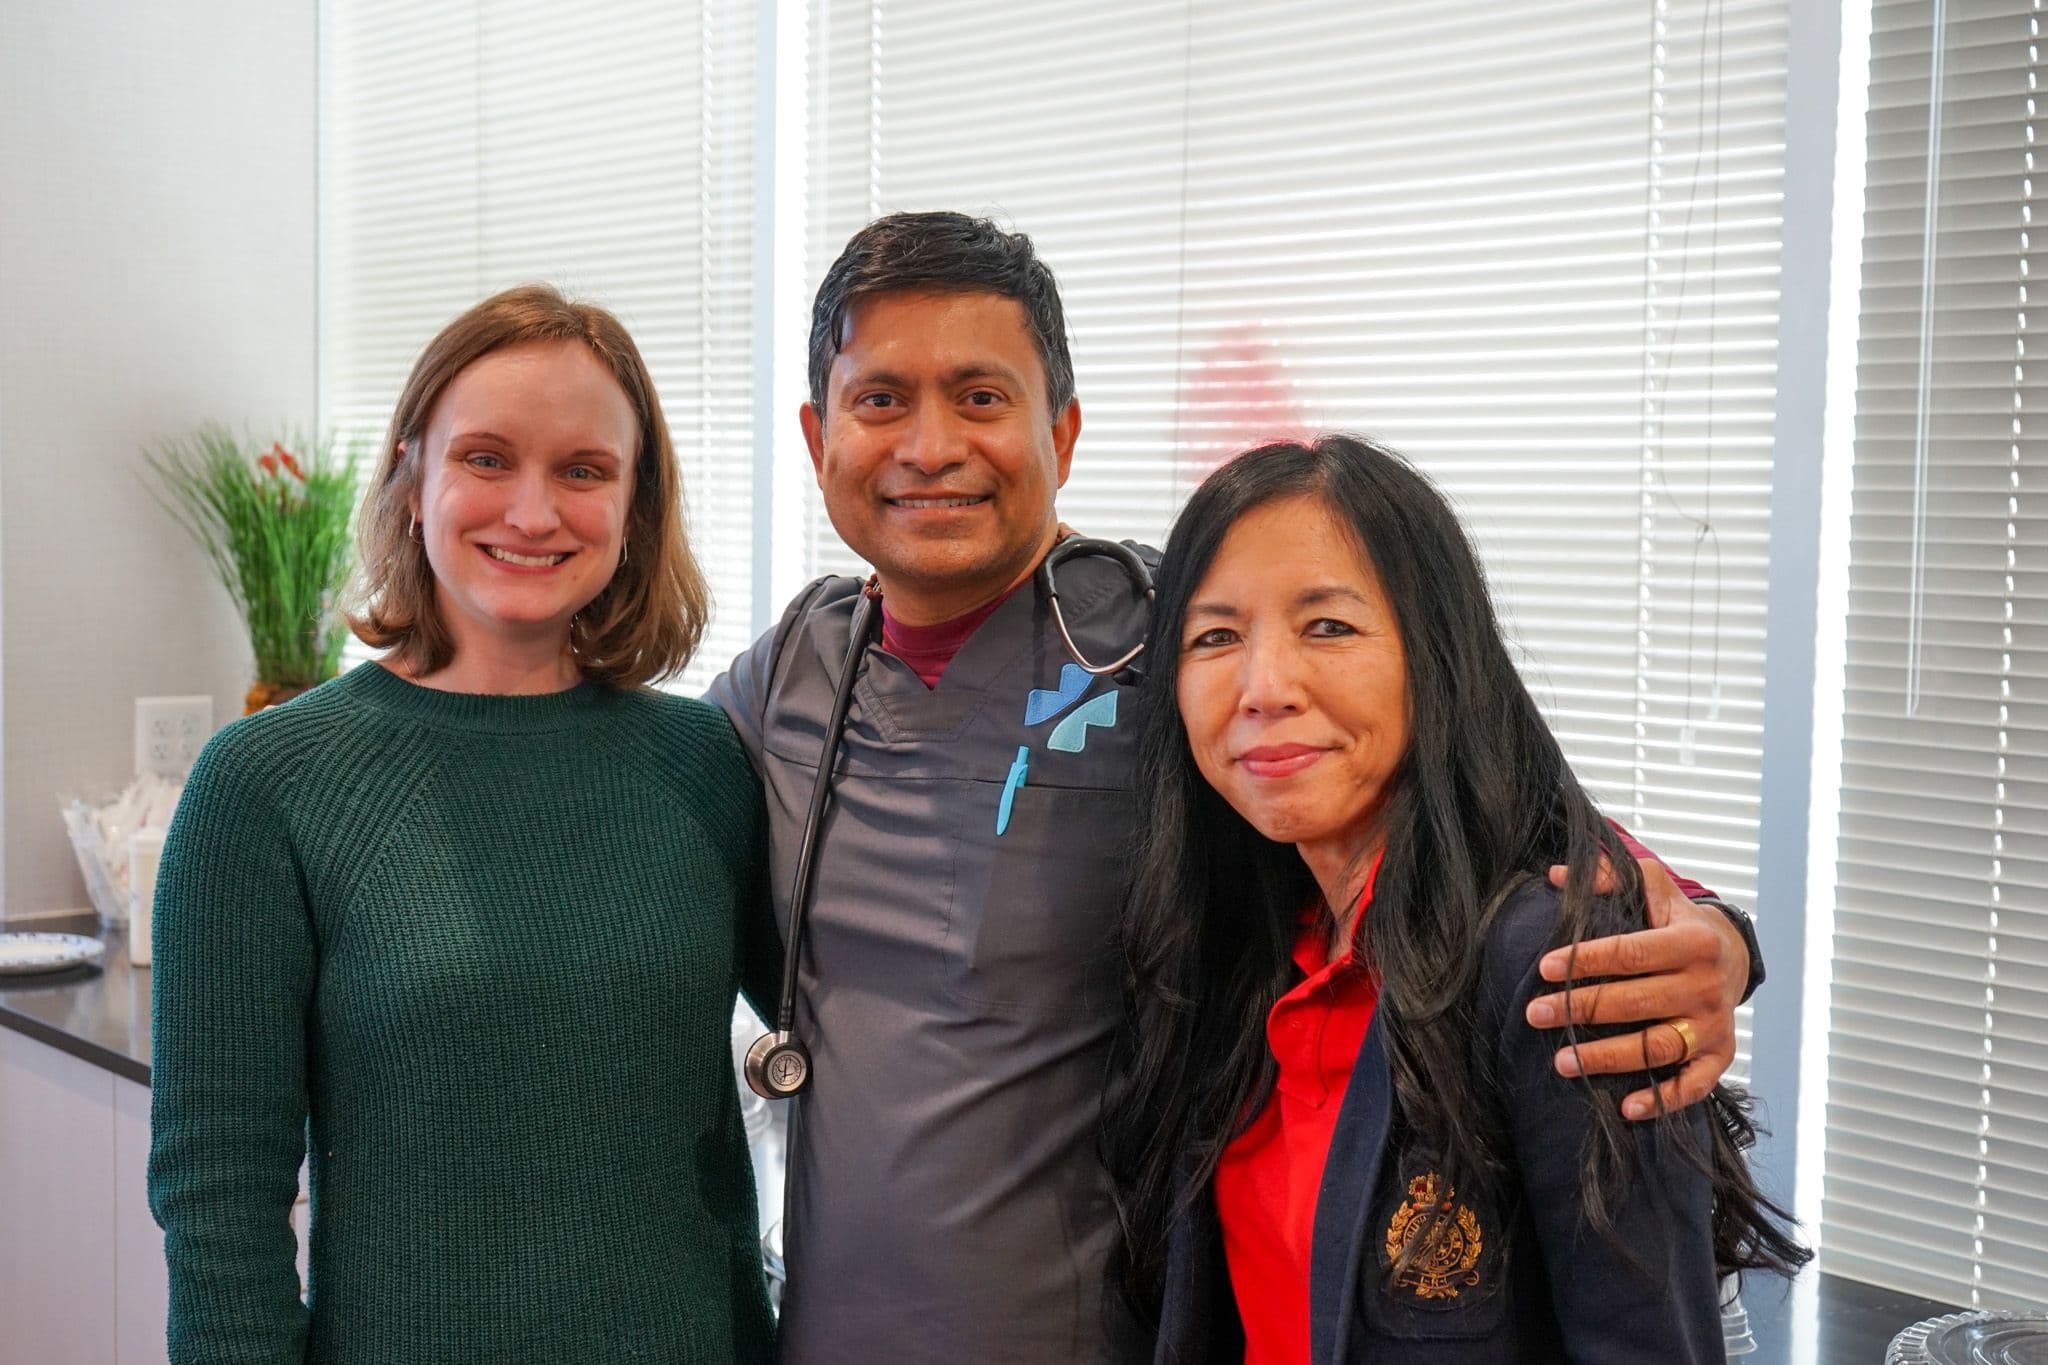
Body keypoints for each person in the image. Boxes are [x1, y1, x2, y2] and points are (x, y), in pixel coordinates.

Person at [708, 211, 1767, 1362]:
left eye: (979, 397)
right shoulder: (791, 672)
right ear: (817, 435)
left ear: (1060, 433)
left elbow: (1471, 795)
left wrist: (1710, 931)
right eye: (879, 401)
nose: (927, 446)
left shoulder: (1178, 637)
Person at [148, 285, 777, 1364]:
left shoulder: (706, 762)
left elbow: (862, 1038)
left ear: (635, 504)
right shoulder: (265, 782)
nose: (532, 513)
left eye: (583, 470)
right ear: (413, 475)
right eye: (487, 459)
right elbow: (221, 1197)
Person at [1104, 435, 1808, 1363]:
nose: (1263, 687)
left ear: (1436, 656)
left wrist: (1726, 931)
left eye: (1329, 627)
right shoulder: (1235, 956)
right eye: (1215, 637)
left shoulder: (1559, 968)